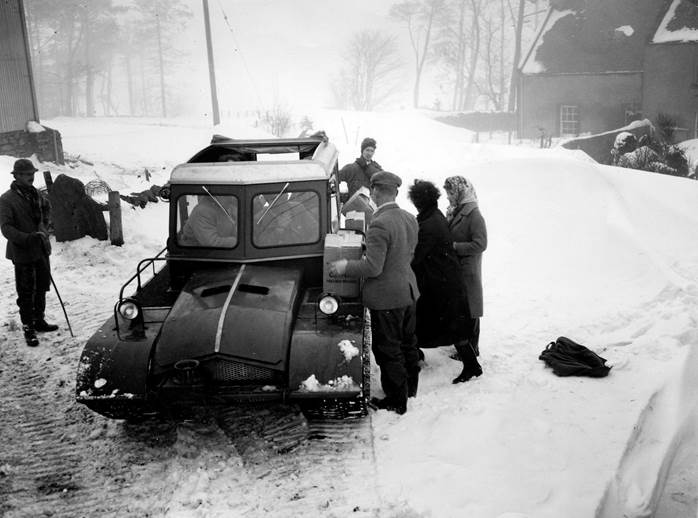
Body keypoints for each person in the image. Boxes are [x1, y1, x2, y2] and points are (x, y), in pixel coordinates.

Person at [330, 171, 420, 415]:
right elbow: (403, 252)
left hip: (387, 298)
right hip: (408, 291)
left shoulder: (380, 223)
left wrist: (345, 266)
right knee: (407, 344)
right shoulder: (409, 218)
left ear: (377, 192)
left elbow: (373, 267)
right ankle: (410, 388)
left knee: (387, 349)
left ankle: (396, 400)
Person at [407, 180, 482, 383]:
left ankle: (472, 366)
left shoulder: (429, 224)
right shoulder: (433, 216)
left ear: (418, 201)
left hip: (442, 285)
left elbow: (417, 256)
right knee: (451, 326)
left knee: (451, 327)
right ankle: (470, 365)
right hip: (443, 282)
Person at [0, 158, 58, 347]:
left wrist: (44, 228)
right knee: (26, 291)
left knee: (41, 286)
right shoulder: (7, 199)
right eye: (26, 174)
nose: (30, 177)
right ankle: (28, 328)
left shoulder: (38, 195)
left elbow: (47, 212)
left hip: (40, 249)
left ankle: (39, 320)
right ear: (16, 176)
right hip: (22, 251)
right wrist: (27, 238)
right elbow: (6, 228)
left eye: (32, 174)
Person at [444, 175, 487, 370]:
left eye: (451, 193)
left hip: (468, 269)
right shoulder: (456, 211)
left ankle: (473, 348)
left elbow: (480, 244)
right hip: (458, 269)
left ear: (461, 191)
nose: (448, 197)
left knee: (471, 310)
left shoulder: (474, 214)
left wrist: (455, 247)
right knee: (463, 308)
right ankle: (465, 345)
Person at [338, 137, 383, 203]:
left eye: (372, 151)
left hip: (371, 208)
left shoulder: (377, 169)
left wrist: (368, 168)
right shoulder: (351, 168)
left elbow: (384, 183)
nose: (369, 153)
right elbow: (335, 178)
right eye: (367, 150)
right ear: (362, 151)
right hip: (354, 208)